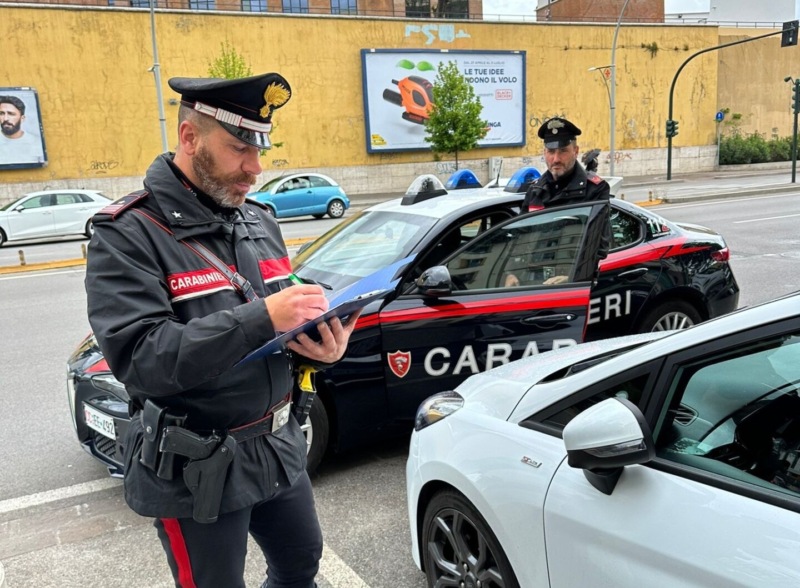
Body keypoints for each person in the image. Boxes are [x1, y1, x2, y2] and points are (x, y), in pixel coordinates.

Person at [85, 72, 358, 588]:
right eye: (239, 148)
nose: (256, 168)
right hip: (197, 465)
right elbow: (143, 359)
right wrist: (264, 316)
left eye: (260, 149)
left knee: (300, 565)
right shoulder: (128, 233)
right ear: (190, 138)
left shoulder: (258, 220)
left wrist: (319, 349)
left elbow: (278, 335)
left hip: (276, 446)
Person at [506, 117, 611, 287]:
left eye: (563, 151)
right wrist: (511, 272)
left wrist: (570, 277)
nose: (556, 159)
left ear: (575, 151)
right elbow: (520, 238)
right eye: (551, 151)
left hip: (572, 283)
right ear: (544, 153)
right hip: (532, 280)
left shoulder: (594, 190)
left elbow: (599, 245)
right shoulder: (535, 190)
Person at [0, 95, 44, 164]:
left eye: (11, 114)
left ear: (22, 118)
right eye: (1, 113)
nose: (5, 119)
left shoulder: (36, 142)